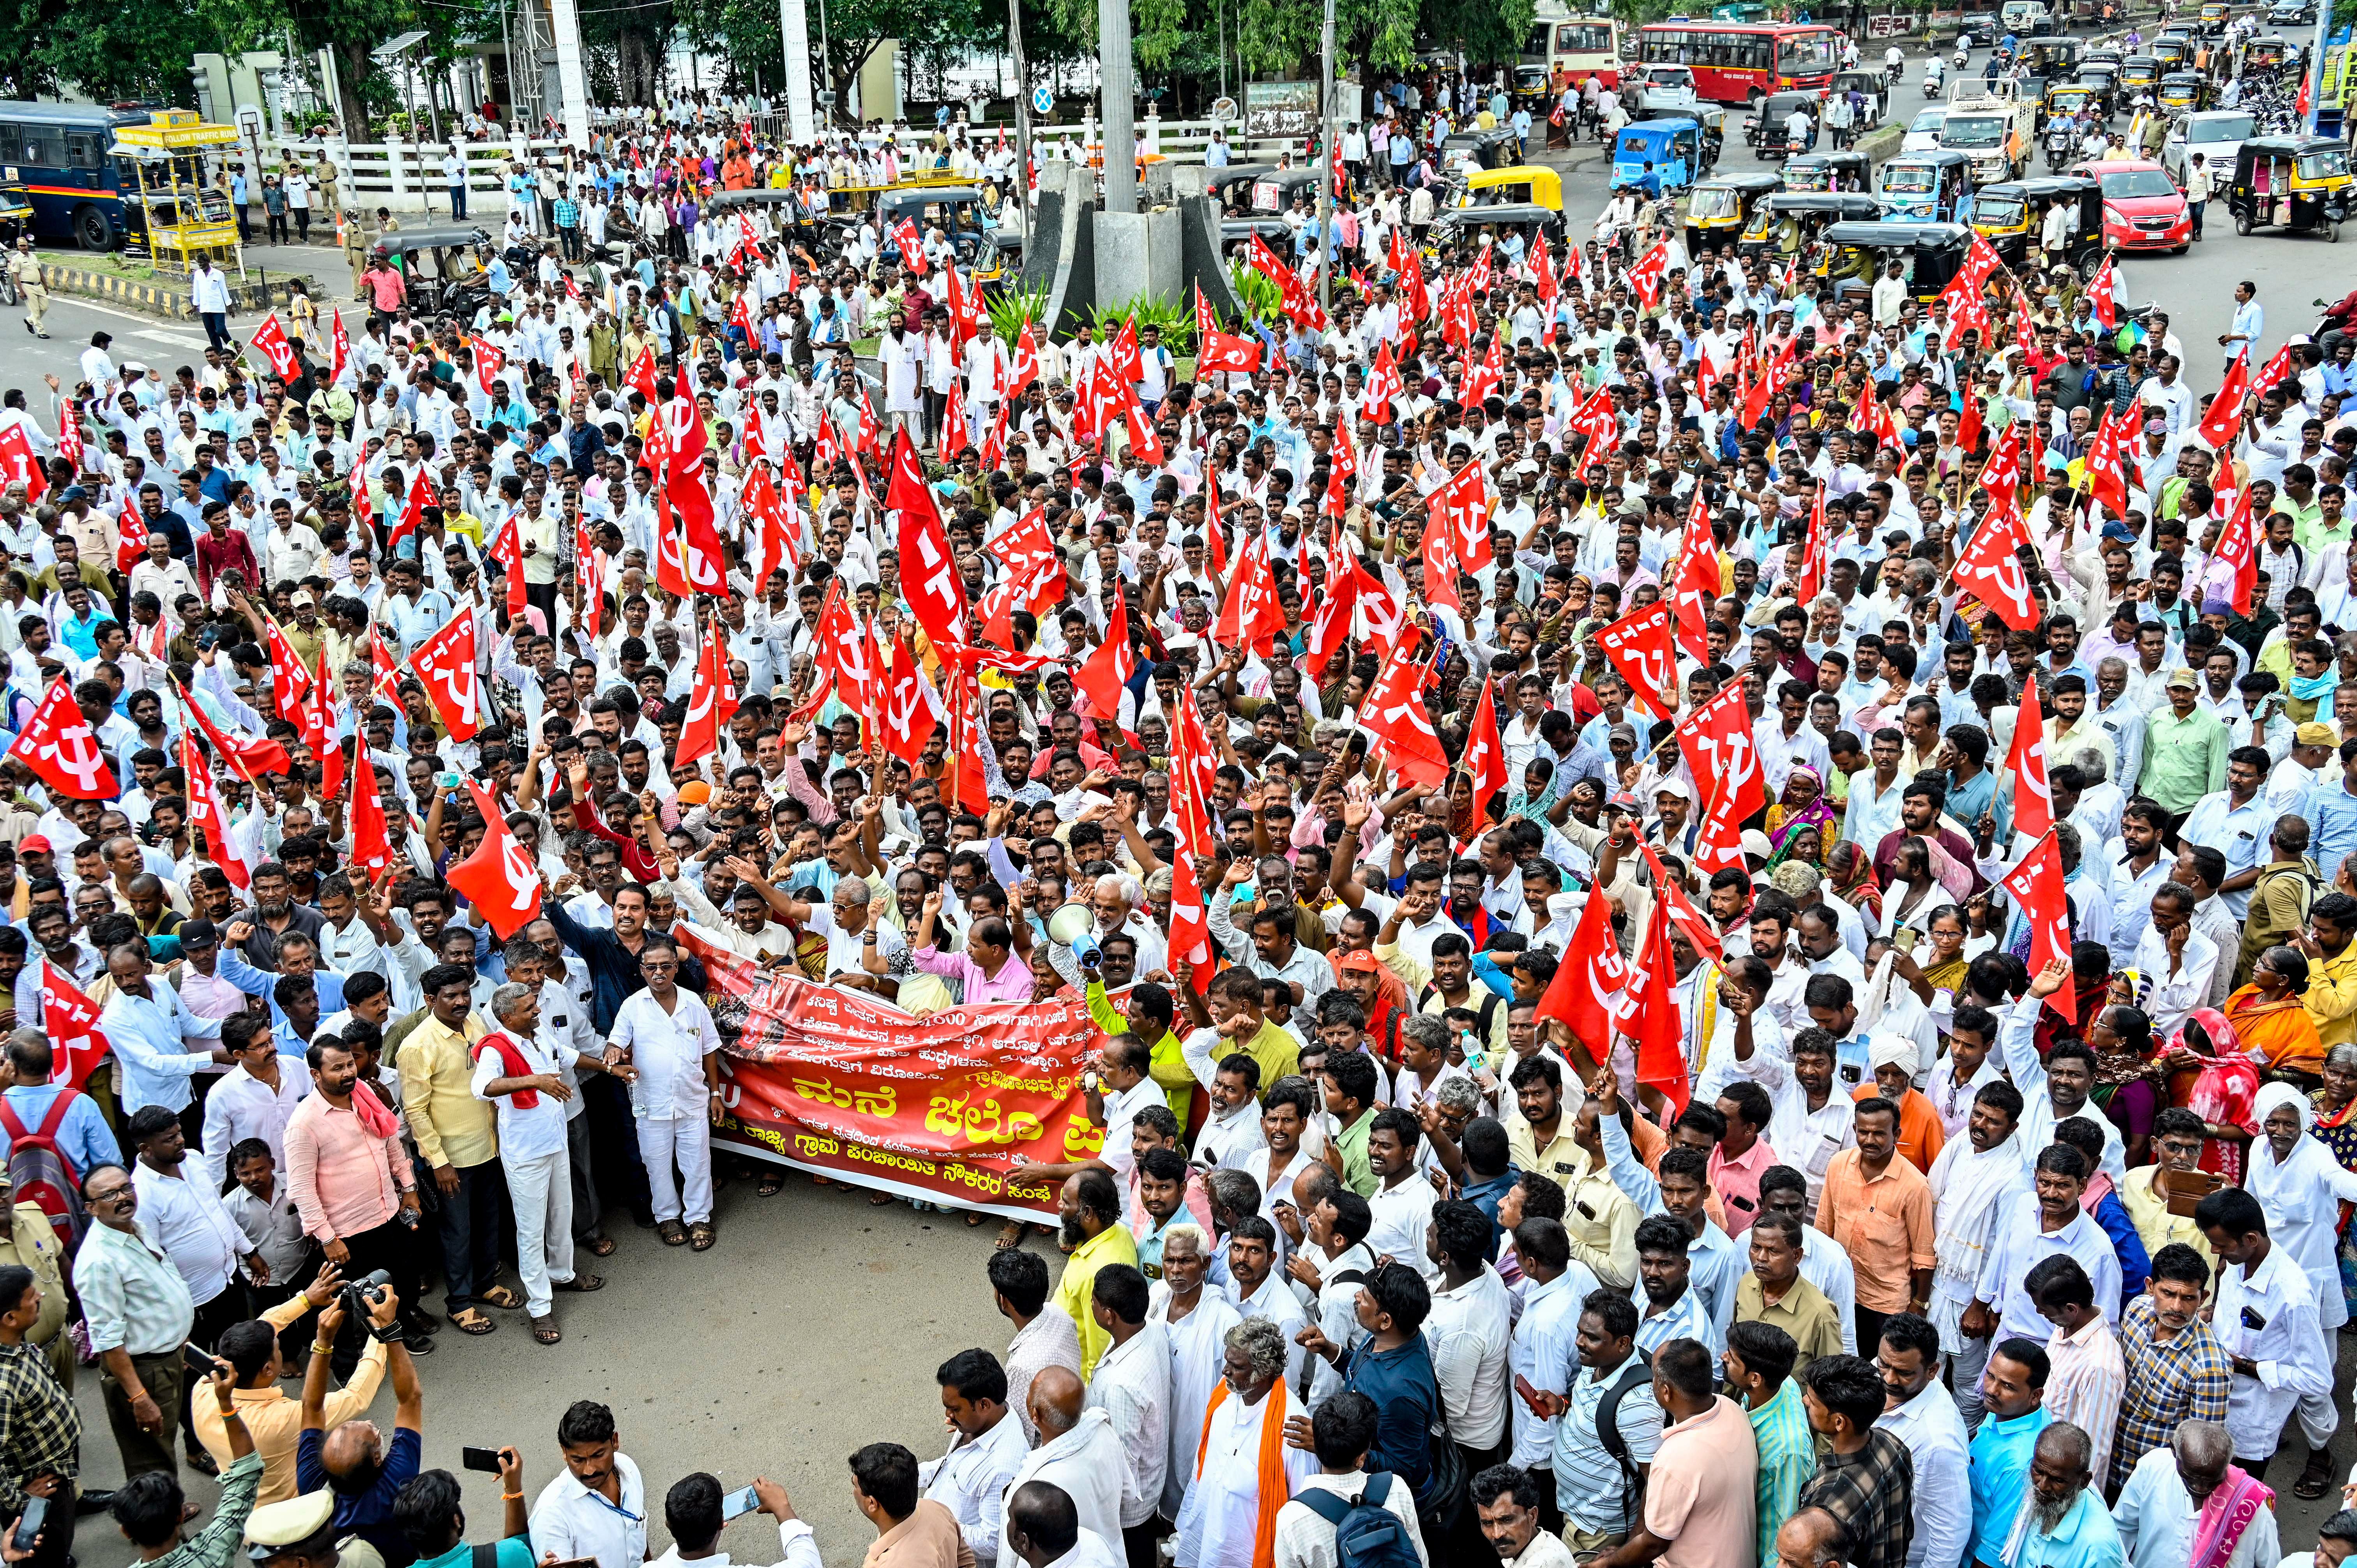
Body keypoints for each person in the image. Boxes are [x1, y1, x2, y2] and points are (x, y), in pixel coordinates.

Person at [2193, 1187, 2333, 1493]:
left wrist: (2245, 1367)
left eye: (2220, 1245)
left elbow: (2318, 1380)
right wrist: (2209, 1314)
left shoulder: (2293, 1296)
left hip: (2251, 1425)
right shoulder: (2236, 1262)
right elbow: (2237, 1313)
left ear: (2251, 1240)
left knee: (2235, 1506)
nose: (2215, 1252)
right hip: (2213, 1404)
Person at [74, 1163, 194, 1481]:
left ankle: (171, 1513)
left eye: (126, 1188)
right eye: (110, 1194)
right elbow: (109, 1340)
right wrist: (139, 1398)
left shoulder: (135, 1228)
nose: (123, 1197)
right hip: (142, 1372)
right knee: (149, 1458)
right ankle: (159, 1527)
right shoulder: (99, 1261)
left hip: (166, 1361)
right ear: (91, 1208)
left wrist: (177, 1342)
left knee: (162, 1445)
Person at [292, 1280, 421, 1567]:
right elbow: (411, 1399)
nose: (371, 1422)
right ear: (378, 1459)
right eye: (373, 1431)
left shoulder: (313, 1486)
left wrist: (323, 1342)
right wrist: (391, 1331)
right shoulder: (395, 1481)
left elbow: (312, 1407)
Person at [609, 939, 722, 1251]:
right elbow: (616, 1041)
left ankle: (699, 1218)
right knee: (656, 1164)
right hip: (651, 1102)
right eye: (652, 967)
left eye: (666, 966)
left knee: (697, 1163)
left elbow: (710, 1049)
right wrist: (613, 1051)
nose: (659, 973)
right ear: (642, 971)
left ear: (676, 967)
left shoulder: (693, 1003)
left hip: (693, 1100)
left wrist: (715, 1093)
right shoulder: (632, 1006)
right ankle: (668, 1217)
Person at [110, 1357, 261, 1568]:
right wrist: (226, 1404)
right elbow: (246, 1473)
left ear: (126, 1532)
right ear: (181, 1515)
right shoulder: (213, 1550)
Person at [1271, 1391, 1426, 1568]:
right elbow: (1420, 1558)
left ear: (1315, 1445)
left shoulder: (1292, 1518)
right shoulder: (1397, 1489)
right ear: (1361, 1458)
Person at [2109, 1419, 2278, 1568]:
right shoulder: (2153, 1467)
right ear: (2174, 1451)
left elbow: (2272, 1564)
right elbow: (2122, 1527)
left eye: (2212, 1480)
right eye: (2191, 1477)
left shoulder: (2252, 1505)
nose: (2201, 1487)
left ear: (2230, 1462)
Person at [0, 1263, 77, 1568]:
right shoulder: (2, 1386)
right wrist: (20, 1500)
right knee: (37, 1554)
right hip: (37, 1492)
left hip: (58, 1473)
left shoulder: (21, 1345)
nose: (41, 1297)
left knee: (57, 1543)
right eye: (33, 1297)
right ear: (10, 1317)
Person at [919, 1348, 1027, 1563]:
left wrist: (935, 1524)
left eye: (955, 1409)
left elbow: (992, 1541)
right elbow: (952, 1466)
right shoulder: (980, 1422)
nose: (948, 1416)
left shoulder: (1002, 1468)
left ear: (984, 1405)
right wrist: (907, 1474)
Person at [528, 1401, 647, 1568]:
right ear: (564, 1452)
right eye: (578, 1460)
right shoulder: (551, 1513)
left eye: (598, 1455)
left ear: (615, 1442)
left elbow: (639, 1533)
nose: (589, 1470)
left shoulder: (628, 1469)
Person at [1998, 1422, 2124, 1568]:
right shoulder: (2038, 1496)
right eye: (2038, 1471)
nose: (2042, 1486)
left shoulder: (2098, 1548)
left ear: (2084, 1481)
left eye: (2058, 1480)